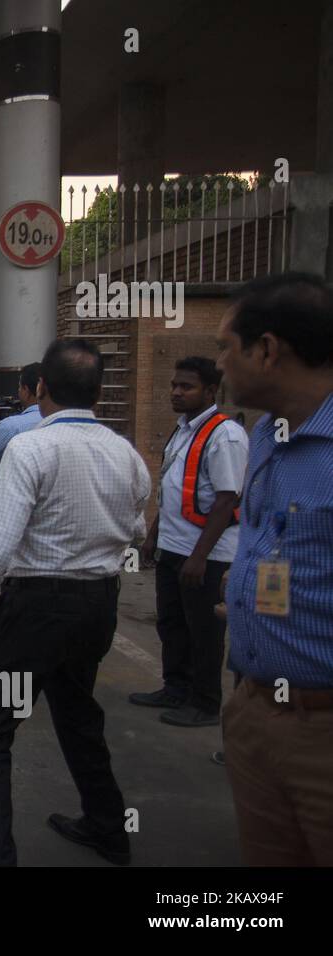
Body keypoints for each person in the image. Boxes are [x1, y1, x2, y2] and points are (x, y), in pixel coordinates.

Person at [0, 339, 150, 867]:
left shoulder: (31, 449)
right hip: (97, 607)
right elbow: (135, 529)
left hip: (36, 608)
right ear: (97, 391)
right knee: (77, 715)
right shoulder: (125, 454)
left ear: (41, 387)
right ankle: (109, 830)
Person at [214, 272, 333, 866]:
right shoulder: (264, 436)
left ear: (266, 350)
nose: (220, 365)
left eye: (225, 348)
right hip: (256, 710)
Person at [130, 357, 247, 727]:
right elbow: (175, 489)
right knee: (172, 624)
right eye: (174, 386)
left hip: (206, 556)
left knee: (205, 632)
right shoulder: (183, 429)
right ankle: (176, 688)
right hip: (174, 547)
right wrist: (153, 536)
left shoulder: (225, 435)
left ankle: (206, 702)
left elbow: (228, 499)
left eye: (187, 387)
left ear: (210, 392)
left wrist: (199, 557)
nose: (176, 393)